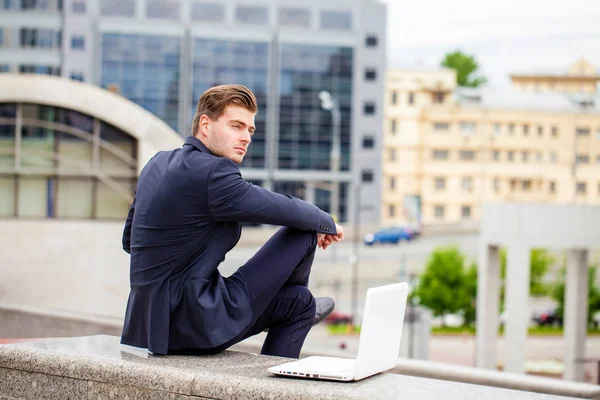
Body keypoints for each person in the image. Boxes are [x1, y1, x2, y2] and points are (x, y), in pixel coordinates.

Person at [120, 84, 344, 359]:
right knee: (304, 232)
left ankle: (296, 309)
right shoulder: (214, 172)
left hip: (145, 325)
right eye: (236, 126)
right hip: (194, 324)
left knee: (299, 303)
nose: (246, 138)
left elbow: (130, 241)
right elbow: (281, 208)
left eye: (250, 130)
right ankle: (287, 304)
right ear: (205, 125)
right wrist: (326, 222)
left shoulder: (157, 163)